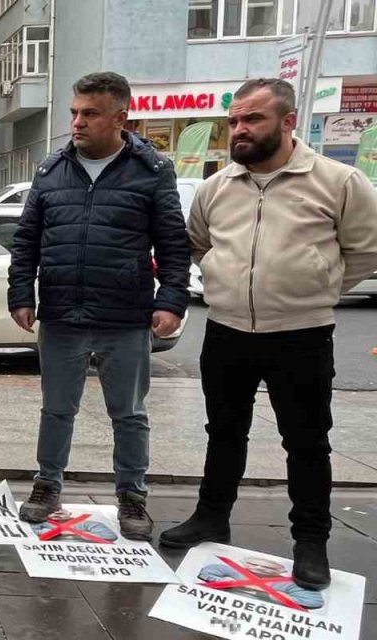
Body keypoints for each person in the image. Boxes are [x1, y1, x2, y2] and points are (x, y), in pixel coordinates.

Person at [162, 78, 377, 589]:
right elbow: (198, 243)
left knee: (306, 443)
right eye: (234, 120)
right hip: (227, 330)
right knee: (224, 432)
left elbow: (366, 251)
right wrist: (223, 274)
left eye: (252, 119)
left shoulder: (338, 181)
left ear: (287, 122)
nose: (239, 129)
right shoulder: (216, 187)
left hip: (301, 334)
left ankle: (310, 542)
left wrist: (316, 283)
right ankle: (211, 516)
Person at [7, 72, 189, 541]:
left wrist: (171, 299)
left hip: (125, 316)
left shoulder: (152, 170)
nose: (77, 122)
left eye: (90, 113)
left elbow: (172, 242)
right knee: (56, 409)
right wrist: (21, 294)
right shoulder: (51, 170)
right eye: (74, 112)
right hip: (63, 313)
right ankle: (48, 486)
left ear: (119, 118)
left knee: (128, 414)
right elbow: (26, 240)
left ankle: (132, 496)